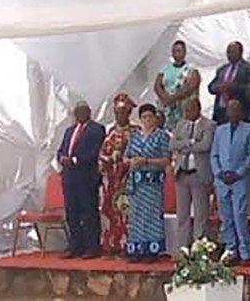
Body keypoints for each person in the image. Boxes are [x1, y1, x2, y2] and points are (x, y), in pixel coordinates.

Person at [210, 97, 250, 263]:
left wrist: (238, 173)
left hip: (240, 179)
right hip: (222, 179)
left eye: (236, 110)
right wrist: (219, 172)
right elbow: (214, 154)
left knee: (240, 215)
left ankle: (246, 251)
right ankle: (231, 250)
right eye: (230, 110)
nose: (233, 113)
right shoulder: (220, 130)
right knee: (226, 217)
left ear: (241, 112)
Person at [58, 102, 106, 258]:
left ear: (89, 112)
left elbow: (95, 152)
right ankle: (75, 245)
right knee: (72, 213)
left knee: (89, 212)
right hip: (69, 178)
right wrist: (62, 159)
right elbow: (61, 150)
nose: (79, 114)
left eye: (82, 111)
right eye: (76, 112)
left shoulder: (96, 129)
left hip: (86, 177)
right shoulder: (69, 131)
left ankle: (92, 246)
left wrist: (75, 160)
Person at [124, 103, 170, 261]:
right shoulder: (135, 136)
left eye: (150, 116)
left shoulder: (161, 136)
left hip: (152, 182)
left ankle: (152, 249)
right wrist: (131, 161)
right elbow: (126, 156)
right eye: (144, 117)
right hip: (137, 182)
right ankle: (137, 248)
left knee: (151, 214)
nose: (147, 120)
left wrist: (147, 160)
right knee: (136, 215)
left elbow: (166, 160)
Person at [169, 97, 214, 250]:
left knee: (201, 214)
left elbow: (205, 145)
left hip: (199, 173)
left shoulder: (209, 125)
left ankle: (200, 247)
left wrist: (186, 146)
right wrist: (190, 142)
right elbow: (173, 144)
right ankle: (183, 247)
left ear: (198, 108)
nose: (187, 113)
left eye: (190, 109)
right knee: (182, 214)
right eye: (185, 110)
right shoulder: (181, 124)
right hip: (182, 173)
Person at [97, 94, 136, 255]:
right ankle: (110, 242)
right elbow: (102, 153)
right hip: (111, 179)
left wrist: (124, 160)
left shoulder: (135, 132)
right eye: (118, 112)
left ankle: (127, 244)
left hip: (127, 179)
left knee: (125, 211)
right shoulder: (110, 132)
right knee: (109, 210)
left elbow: (137, 154)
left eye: (123, 112)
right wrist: (107, 160)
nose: (120, 116)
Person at [154, 41, 201, 129]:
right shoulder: (165, 68)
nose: (177, 54)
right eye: (174, 51)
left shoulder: (191, 69)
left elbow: (192, 86)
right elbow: (157, 86)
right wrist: (165, 98)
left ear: (184, 52)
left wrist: (174, 97)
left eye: (179, 51)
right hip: (166, 107)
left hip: (183, 107)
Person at [208, 41, 250, 123]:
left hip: (238, 111)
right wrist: (218, 88)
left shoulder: (249, 69)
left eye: (233, 51)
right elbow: (211, 87)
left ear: (240, 52)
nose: (230, 54)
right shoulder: (222, 69)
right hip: (221, 111)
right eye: (228, 52)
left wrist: (233, 87)